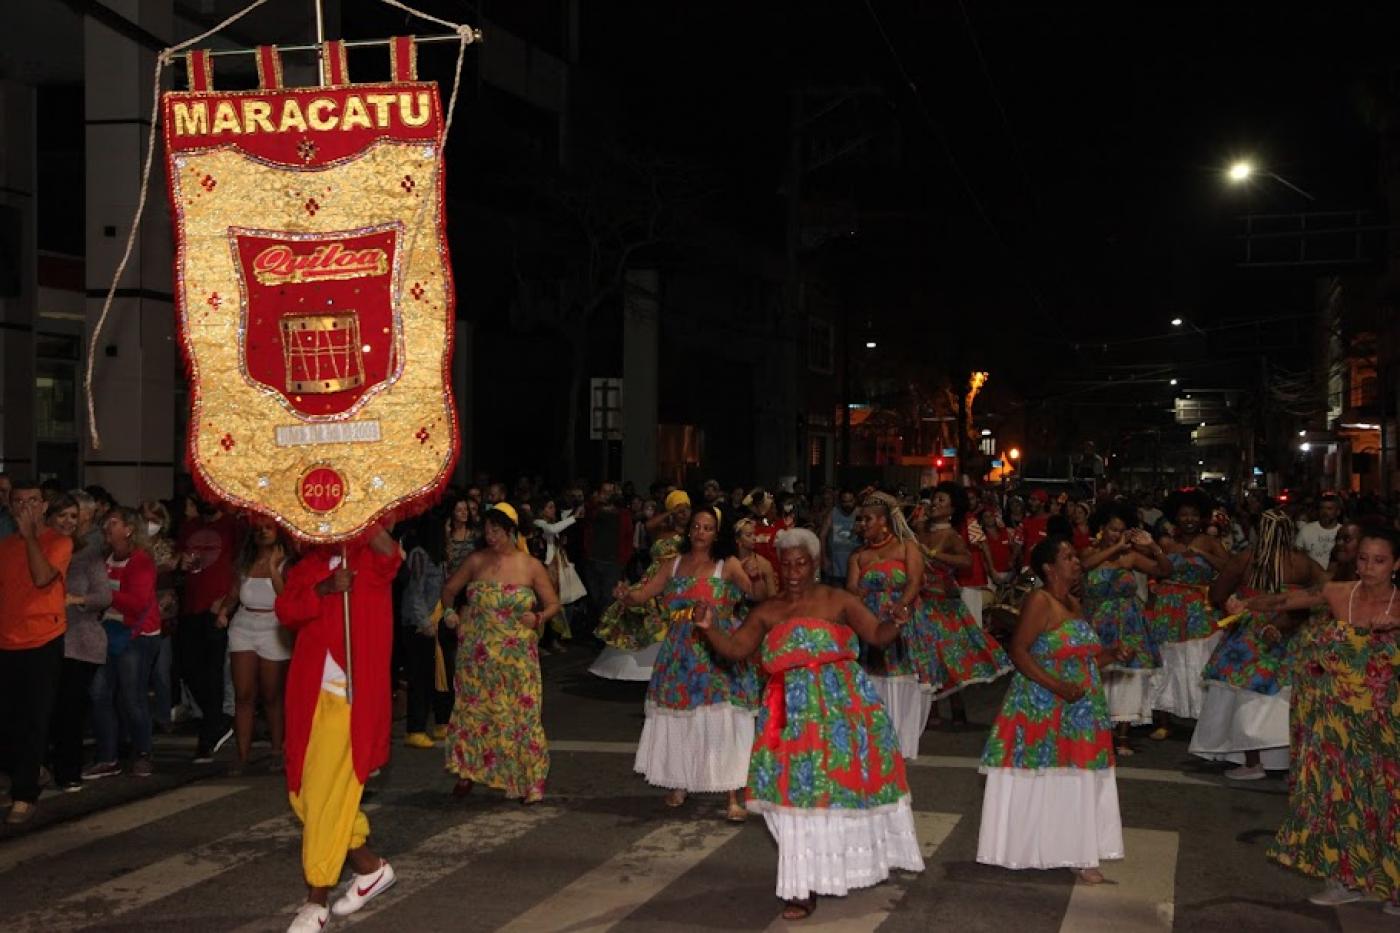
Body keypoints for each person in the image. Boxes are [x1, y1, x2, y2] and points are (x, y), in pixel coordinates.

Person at [694, 528, 925, 920]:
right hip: (790, 716)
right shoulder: (767, 610)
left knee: (839, 793)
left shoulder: (839, 600)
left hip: (844, 711)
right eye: (787, 564)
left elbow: (877, 635)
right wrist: (709, 627)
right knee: (795, 800)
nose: (794, 571)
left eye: (801, 563)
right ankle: (801, 887)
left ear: (815, 564)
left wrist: (898, 621)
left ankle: (840, 870)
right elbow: (735, 650)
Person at [1242, 527, 1400, 913]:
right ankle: (1345, 878)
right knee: (1341, 797)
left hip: (1387, 724)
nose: (1368, 568)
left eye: (1379, 561)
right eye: (1362, 558)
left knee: (1386, 797)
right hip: (1335, 723)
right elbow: (1285, 600)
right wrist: (1246, 605)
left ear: (1396, 564)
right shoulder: (1337, 593)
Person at [978, 536, 1128, 883]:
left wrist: (1111, 654)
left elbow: (1085, 659)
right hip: (1042, 704)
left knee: (1082, 777)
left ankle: (1081, 852)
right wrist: (1057, 686)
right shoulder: (1039, 601)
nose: (1076, 562)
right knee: (1046, 775)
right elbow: (1019, 651)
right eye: (1068, 556)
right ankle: (1029, 847)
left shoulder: (1074, 604)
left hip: (1081, 706)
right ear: (1049, 567)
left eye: (1076, 557)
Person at [276, 521, 402, 932]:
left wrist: (360, 515)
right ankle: (369, 868)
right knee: (304, 795)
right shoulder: (308, 566)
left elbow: (391, 555)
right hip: (308, 697)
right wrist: (324, 589)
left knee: (328, 795)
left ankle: (317, 896)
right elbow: (288, 612)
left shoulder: (369, 556)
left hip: (352, 701)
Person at [615, 504, 762, 819]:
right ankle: (679, 780)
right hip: (680, 651)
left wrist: (758, 574)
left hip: (717, 647)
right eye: (696, 526)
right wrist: (625, 594)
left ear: (716, 533)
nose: (700, 533)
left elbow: (756, 594)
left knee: (722, 718)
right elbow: (642, 594)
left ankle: (732, 795)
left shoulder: (729, 564)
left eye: (707, 528)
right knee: (681, 717)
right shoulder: (673, 563)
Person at [1189, 509, 1326, 780]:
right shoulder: (1305, 563)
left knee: (1244, 696)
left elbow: (1218, 593)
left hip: (1251, 632)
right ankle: (1291, 762)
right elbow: (1326, 590)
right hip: (1292, 631)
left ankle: (1253, 763)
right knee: (1286, 698)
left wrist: (1238, 600)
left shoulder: (1247, 559)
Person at [440, 504, 559, 803]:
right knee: (476, 714)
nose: (491, 536)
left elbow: (553, 603)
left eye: (497, 530)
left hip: (517, 655)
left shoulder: (530, 565)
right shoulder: (476, 561)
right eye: (487, 530)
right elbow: (449, 590)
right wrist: (451, 614)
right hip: (477, 654)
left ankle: (526, 780)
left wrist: (539, 618)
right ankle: (469, 771)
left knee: (521, 716)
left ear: (510, 530)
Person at [0, 481, 75, 823]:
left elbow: (43, 578)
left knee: (33, 718)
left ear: (44, 506)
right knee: (9, 721)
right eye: (19, 502)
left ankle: (24, 793)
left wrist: (30, 536)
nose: (26, 507)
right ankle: (30, 771)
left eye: (33, 501)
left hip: (42, 639)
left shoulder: (58, 542)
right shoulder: (5, 547)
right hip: (6, 639)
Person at [846, 492, 938, 758]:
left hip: (903, 619)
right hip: (871, 620)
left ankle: (903, 742)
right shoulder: (858, 556)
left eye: (868, 519)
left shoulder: (906, 546)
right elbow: (851, 587)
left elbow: (914, 581)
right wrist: (858, 595)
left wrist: (902, 606)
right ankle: (879, 739)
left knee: (902, 676)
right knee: (875, 676)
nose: (862, 524)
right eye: (860, 519)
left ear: (884, 522)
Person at [1078, 502, 1171, 755]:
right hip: (1097, 621)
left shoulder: (1130, 557)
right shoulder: (1088, 552)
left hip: (1128, 623)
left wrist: (1153, 547)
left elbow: (1165, 570)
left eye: (1121, 531)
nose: (1116, 535)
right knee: (1098, 676)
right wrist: (1115, 549)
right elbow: (1084, 568)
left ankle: (1122, 735)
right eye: (1112, 530)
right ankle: (1098, 730)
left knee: (1127, 679)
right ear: (1101, 528)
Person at [916, 488, 1011, 731]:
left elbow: (966, 561)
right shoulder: (920, 529)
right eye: (934, 499)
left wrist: (936, 555)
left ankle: (956, 708)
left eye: (941, 500)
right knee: (928, 657)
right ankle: (934, 709)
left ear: (952, 509)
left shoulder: (951, 535)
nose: (935, 504)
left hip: (943, 604)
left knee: (948, 656)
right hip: (921, 601)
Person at [1147, 487, 1229, 733]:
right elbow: (1156, 571)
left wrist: (1201, 553)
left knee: (1196, 659)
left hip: (1198, 608)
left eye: (1194, 514)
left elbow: (1229, 567)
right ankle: (1163, 719)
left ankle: (1202, 718)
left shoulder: (1211, 542)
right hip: (1168, 607)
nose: (1189, 519)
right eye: (1184, 514)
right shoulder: (1166, 543)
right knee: (1166, 660)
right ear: (1175, 517)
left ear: (1202, 516)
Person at [86, 507, 160, 780]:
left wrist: (103, 594)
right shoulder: (107, 557)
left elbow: (137, 602)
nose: (107, 526)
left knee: (132, 696)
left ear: (129, 529)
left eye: (113, 522)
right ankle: (108, 756)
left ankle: (143, 753)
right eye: (107, 522)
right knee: (100, 694)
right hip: (110, 631)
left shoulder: (140, 561)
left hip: (137, 636)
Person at [590, 490, 691, 681]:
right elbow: (648, 524)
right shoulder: (661, 531)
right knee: (638, 607)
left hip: (675, 578)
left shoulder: (690, 534)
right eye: (680, 509)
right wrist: (670, 512)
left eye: (686, 509)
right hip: (652, 577)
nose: (683, 513)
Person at [220, 517, 293, 774]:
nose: (262, 532)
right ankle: (242, 755)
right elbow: (233, 594)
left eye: (268, 528)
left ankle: (277, 749)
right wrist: (223, 611)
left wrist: (274, 569)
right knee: (244, 694)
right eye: (259, 529)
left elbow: (287, 598)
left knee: (272, 694)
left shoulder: (286, 564)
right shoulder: (245, 563)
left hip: (274, 626)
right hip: (244, 624)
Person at [52, 493, 111, 792]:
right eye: (61, 515)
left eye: (73, 517)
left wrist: (74, 599)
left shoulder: (88, 555)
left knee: (69, 708)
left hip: (79, 640)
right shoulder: (41, 549)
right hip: (46, 639)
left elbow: (103, 596)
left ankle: (68, 770)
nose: (67, 522)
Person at [177, 495, 239, 763]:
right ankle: (217, 720)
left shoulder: (233, 527)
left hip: (216, 608)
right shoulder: (189, 527)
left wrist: (226, 603)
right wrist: (181, 564)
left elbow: (240, 566)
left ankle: (209, 733)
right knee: (188, 666)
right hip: (190, 605)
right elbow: (180, 559)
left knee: (213, 671)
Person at [140, 500, 180, 733]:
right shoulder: (134, 545)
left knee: (162, 669)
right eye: (145, 519)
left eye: (154, 520)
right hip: (139, 612)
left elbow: (167, 577)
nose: (149, 524)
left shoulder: (170, 546)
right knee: (140, 670)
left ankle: (163, 717)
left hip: (163, 612)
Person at [819, 488, 860, 585]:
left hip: (856, 566)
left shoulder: (860, 513)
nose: (848, 504)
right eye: (845, 502)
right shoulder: (833, 512)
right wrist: (824, 558)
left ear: (855, 500)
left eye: (850, 501)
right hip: (836, 566)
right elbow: (822, 535)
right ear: (840, 502)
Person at [734, 517, 778, 601]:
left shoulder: (764, 564)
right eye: (748, 535)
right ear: (738, 539)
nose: (754, 538)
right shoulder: (729, 562)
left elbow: (773, 600)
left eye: (754, 534)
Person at [1294, 492, 1342, 570]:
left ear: (1338, 512)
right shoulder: (1306, 530)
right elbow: (1296, 555)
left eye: (1329, 509)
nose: (1325, 512)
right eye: (1322, 508)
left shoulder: (1343, 531)